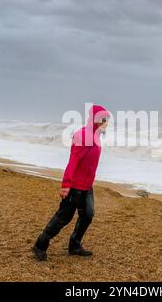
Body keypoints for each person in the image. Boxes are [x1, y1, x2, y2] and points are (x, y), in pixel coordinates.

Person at [33, 105, 110, 261]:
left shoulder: (95, 135)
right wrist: (66, 184)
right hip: (74, 185)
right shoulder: (83, 135)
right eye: (103, 119)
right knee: (64, 217)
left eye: (107, 119)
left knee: (88, 214)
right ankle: (40, 245)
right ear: (94, 119)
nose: (106, 122)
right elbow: (73, 161)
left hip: (87, 185)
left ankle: (74, 245)